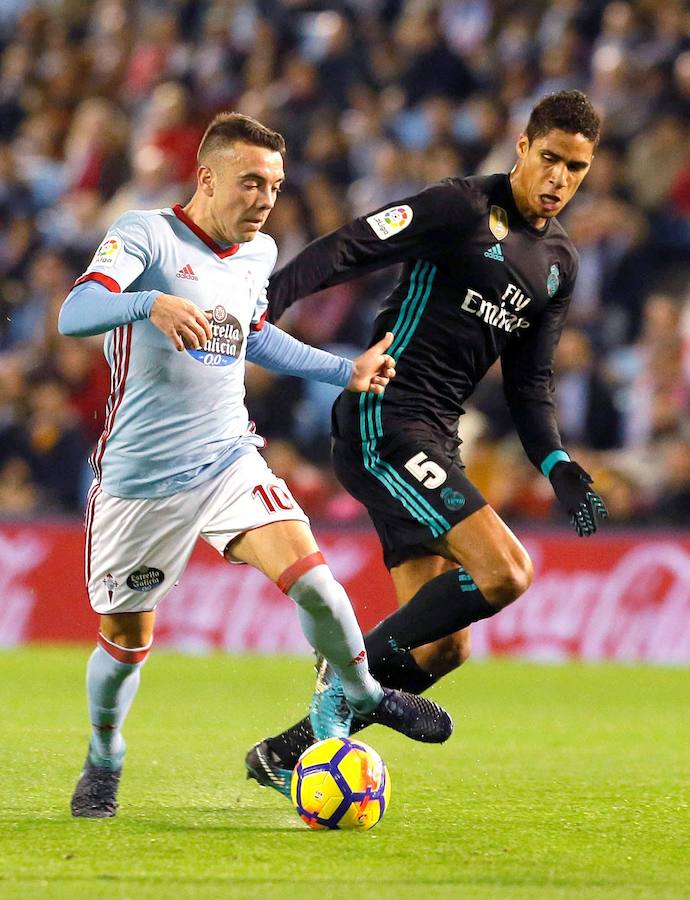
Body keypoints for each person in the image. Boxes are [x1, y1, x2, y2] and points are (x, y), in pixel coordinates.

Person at [58, 113, 453, 819]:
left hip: (226, 460)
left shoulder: (258, 253)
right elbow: (76, 310)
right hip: (140, 483)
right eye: (250, 182)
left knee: (318, 584)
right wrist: (147, 303)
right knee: (124, 644)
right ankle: (105, 756)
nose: (266, 198)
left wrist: (344, 372)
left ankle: (362, 693)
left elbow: (255, 337)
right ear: (207, 178)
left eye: (274, 184)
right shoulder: (145, 234)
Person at [246, 90, 609, 793]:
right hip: (385, 414)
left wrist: (560, 464)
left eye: (578, 168)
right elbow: (354, 242)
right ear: (523, 148)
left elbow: (529, 388)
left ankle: (286, 752)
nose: (560, 179)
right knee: (506, 572)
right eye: (552, 159)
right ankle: (340, 686)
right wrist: (272, 296)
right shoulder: (460, 206)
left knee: (444, 646)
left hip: (434, 436)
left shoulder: (559, 261)